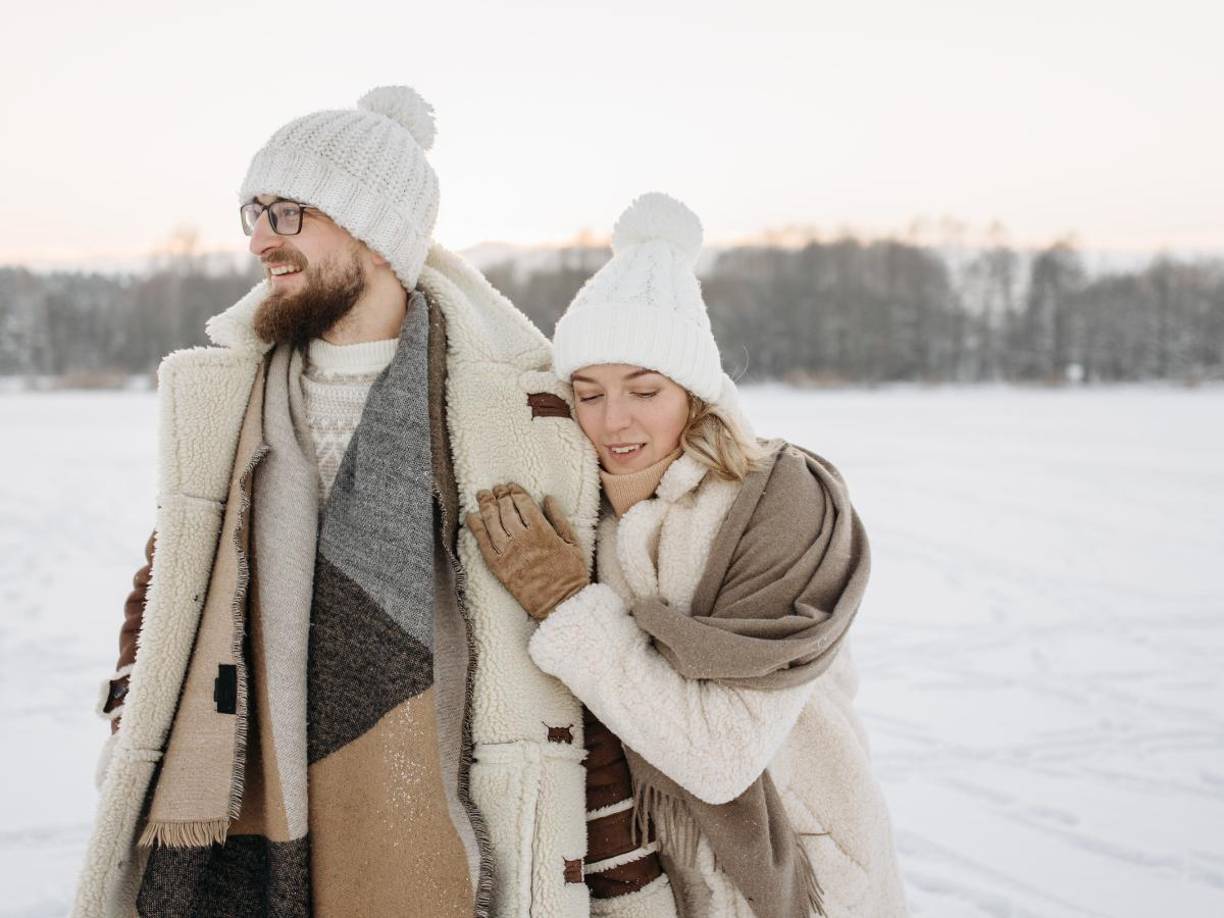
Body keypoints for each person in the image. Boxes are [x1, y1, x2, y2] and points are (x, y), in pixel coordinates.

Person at [76, 87, 604, 918]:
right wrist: (130, 702)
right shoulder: (229, 395)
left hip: (452, 821)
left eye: (286, 213)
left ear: (376, 230)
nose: (257, 241)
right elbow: (169, 572)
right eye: (252, 214)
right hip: (241, 799)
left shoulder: (517, 411)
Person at [468, 193, 910, 917]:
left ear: (696, 394)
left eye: (645, 390)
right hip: (648, 878)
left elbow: (720, 755)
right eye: (589, 393)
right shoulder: (583, 509)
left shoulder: (779, 503)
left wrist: (566, 605)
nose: (615, 422)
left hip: (798, 869)